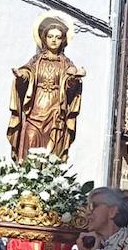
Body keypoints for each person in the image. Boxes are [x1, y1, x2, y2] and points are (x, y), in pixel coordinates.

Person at [9, 13, 85, 160]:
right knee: (30, 140)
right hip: (36, 109)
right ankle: (26, 177)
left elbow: (70, 89)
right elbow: (27, 74)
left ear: (63, 40)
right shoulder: (36, 60)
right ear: (44, 38)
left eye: (57, 37)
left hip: (55, 111)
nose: (54, 40)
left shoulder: (67, 64)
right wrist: (21, 76)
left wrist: (75, 78)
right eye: (50, 36)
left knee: (52, 151)